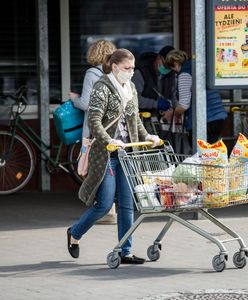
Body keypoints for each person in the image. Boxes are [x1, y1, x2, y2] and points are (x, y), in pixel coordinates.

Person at [67, 48, 160, 264]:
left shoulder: (131, 87)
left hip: (126, 153)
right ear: (115, 67)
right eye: (127, 68)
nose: (131, 71)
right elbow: (94, 121)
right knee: (104, 203)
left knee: (127, 204)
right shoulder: (102, 87)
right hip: (106, 154)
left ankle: (124, 251)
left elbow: (134, 119)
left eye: (133, 68)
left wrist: (148, 136)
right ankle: (75, 232)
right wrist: (108, 140)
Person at [68, 40, 117, 224]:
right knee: (109, 167)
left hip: (94, 129)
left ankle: (105, 210)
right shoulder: (114, 72)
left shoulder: (92, 73)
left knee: (95, 168)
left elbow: (87, 103)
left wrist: (74, 99)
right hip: (111, 127)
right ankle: (110, 208)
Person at [164, 49, 227, 144]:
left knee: (199, 152)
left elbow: (184, 105)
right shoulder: (199, 68)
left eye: (172, 66)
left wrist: (171, 113)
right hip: (219, 117)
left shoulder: (185, 74)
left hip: (205, 120)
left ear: (175, 63)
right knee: (211, 152)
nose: (173, 70)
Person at [132, 45, 176, 133]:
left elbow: (174, 95)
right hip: (142, 120)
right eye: (165, 66)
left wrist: (171, 107)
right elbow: (135, 100)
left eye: (169, 68)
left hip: (162, 121)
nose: (167, 69)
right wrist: (155, 104)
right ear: (158, 58)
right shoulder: (141, 72)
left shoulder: (171, 75)